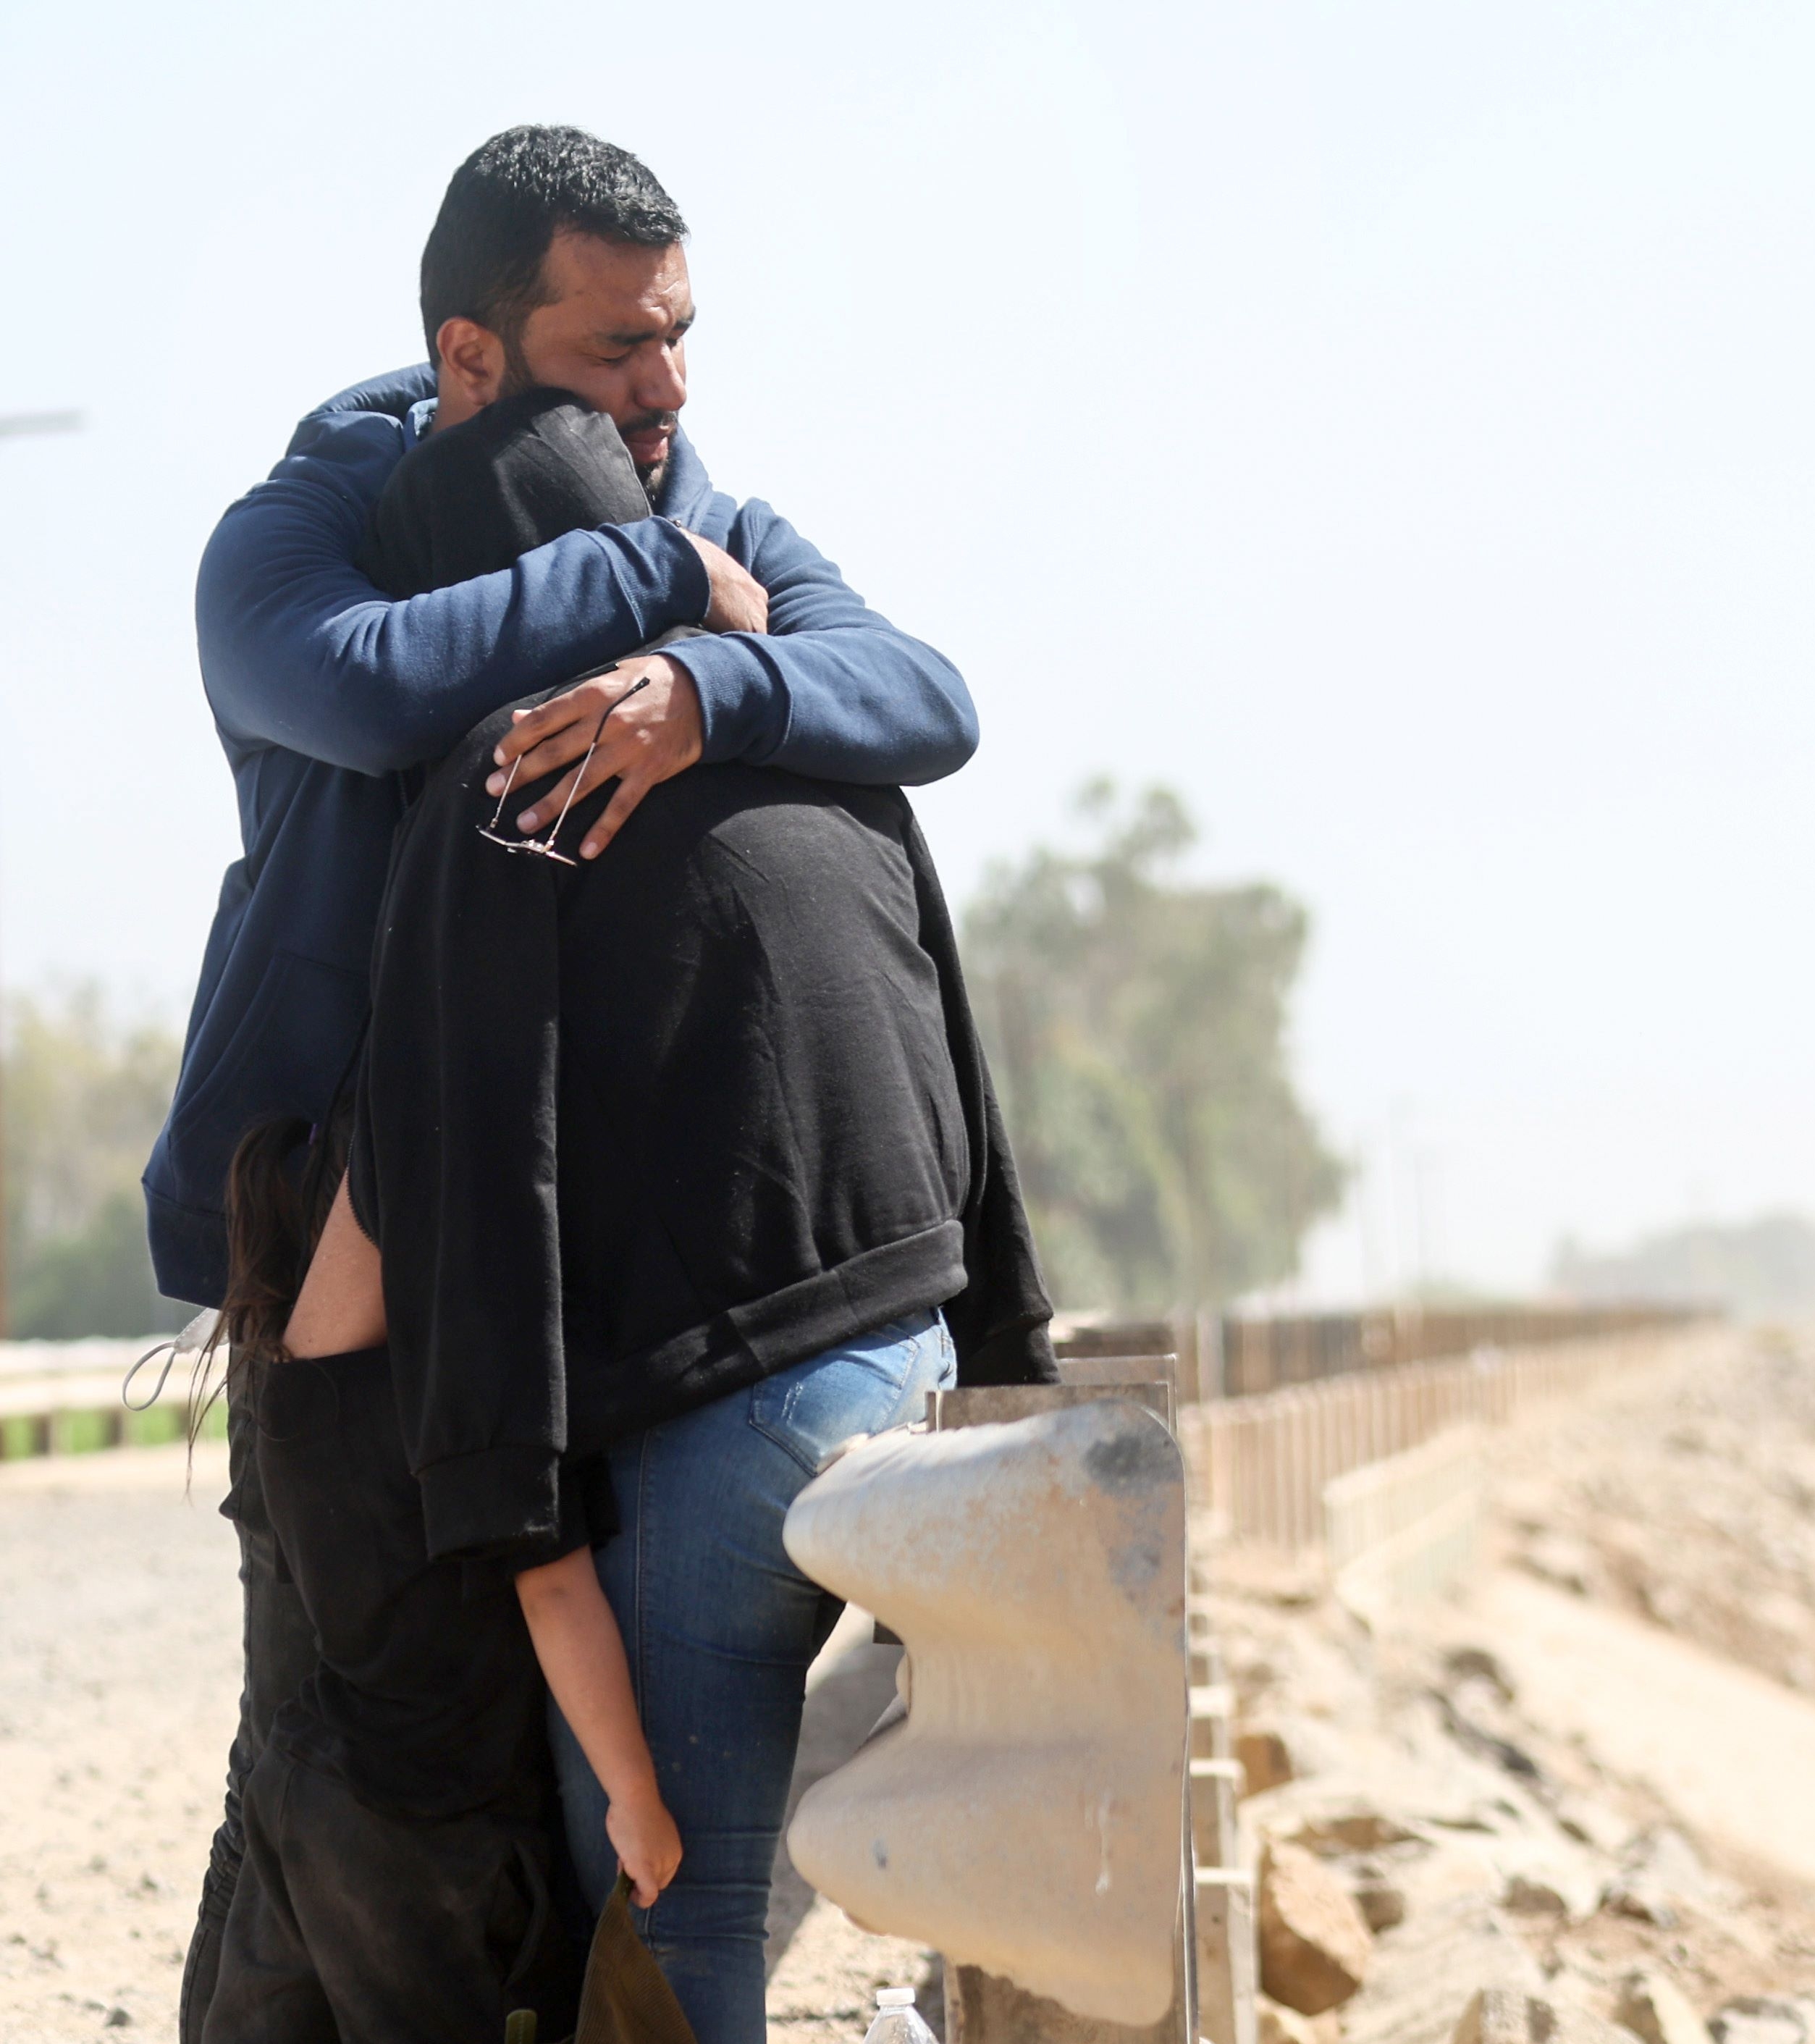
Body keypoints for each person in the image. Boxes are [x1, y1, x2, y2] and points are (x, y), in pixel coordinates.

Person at [165, 124, 990, 2043]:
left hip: (575, 1288)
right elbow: (367, 686)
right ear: (469, 359)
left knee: (542, 1806)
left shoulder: (706, 507)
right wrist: (648, 579)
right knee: (355, 1753)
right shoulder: (307, 539)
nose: (668, 389)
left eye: (680, 336)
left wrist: (707, 685)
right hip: (350, 1284)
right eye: (618, 349)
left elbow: (925, 694)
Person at [187, 1111, 675, 2043]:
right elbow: (554, 1591)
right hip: (426, 1830)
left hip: (307, 1777)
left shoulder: (288, 1413)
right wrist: (637, 1796)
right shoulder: (474, 1412)